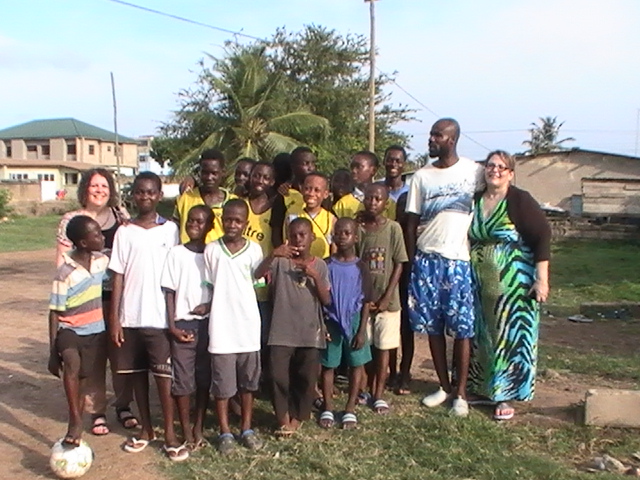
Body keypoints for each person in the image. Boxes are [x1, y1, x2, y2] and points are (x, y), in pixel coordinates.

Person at [404, 118, 484, 417]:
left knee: (462, 329)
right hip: (427, 260)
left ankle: (461, 393)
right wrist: (412, 262)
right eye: (431, 135)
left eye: (437, 135)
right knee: (432, 327)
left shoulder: (473, 171)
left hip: (459, 261)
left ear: (451, 139)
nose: (431, 140)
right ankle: (443, 385)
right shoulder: (421, 177)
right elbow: (411, 222)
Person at [468, 150, 551, 421]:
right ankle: (483, 388)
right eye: (491, 165)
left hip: (514, 285)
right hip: (481, 285)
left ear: (511, 174)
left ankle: (505, 394)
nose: (495, 171)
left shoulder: (519, 200)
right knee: (483, 337)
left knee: (508, 337)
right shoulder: (477, 199)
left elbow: (542, 236)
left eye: (502, 167)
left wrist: (542, 279)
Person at [55, 168, 136, 435]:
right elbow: (62, 262)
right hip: (87, 301)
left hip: (117, 296)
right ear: (84, 189)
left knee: (120, 352)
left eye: (104, 185)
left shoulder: (121, 216)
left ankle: (123, 405)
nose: (99, 190)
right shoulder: (72, 220)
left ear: (111, 189)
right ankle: (97, 410)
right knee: (94, 359)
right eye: (94, 185)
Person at [108, 172, 182, 456]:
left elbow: (177, 273)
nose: (145, 197)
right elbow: (118, 277)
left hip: (161, 317)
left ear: (159, 195)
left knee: (163, 377)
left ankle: (171, 435)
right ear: (133, 195)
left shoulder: (171, 230)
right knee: (137, 375)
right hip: (132, 317)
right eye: (140, 192)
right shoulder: (124, 232)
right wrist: (115, 319)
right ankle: (146, 429)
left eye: (150, 192)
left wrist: (176, 317)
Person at [255, 217, 331, 437]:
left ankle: (298, 416)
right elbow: (257, 276)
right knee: (278, 377)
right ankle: (282, 418)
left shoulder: (321, 266)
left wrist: (315, 277)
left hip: (309, 331)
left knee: (306, 378)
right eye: (293, 235)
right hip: (281, 330)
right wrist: (272, 255)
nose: (298, 240)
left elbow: (326, 300)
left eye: (302, 235)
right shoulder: (279, 262)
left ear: (312, 238)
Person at [204, 199, 264, 453]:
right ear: (221, 220)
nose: (232, 224)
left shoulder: (254, 250)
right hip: (221, 328)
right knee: (223, 387)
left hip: (248, 327)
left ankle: (247, 428)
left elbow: (257, 285)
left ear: (246, 224)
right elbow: (208, 287)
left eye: (238, 221)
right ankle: (224, 431)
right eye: (228, 219)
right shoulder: (212, 250)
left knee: (248, 384)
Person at [49, 215, 109, 446]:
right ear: (83, 242)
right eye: (97, 235)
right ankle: (75, 421)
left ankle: (79, 416)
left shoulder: (101, 262)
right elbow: (54, 312)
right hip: (69, 329)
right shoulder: (64, 272)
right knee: (71, 364)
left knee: (84, 376)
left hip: (95, 331)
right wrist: (53, 350)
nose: (102, 237)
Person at [161, 205, 214, 460]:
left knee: (204, 378)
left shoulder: (213, 255)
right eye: (191, 220)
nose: (195, 225)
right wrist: (172, 325)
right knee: (183, 381)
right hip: (184, 325)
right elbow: (169, 292)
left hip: (209, 325)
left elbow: (221, 290)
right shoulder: (176, 254)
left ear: (210, 227)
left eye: (201, 222)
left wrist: (209, 306)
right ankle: (184, 428)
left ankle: (198, 425)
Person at [358, 184, 408, 414]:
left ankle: (379, 392)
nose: (372, 202)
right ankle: (365, 388)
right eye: (369, 198)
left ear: (385, 203)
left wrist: (387, 296)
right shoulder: (359, 229)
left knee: (383, 348)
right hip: (364, 301)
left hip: (388, 302)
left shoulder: (393, 229)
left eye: (377, 199)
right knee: (365, 346)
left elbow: (399, 263)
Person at [319, 218, 372, 429]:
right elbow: (318, 297)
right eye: (338, 232)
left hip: (354, 320)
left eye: (347, 233)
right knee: (329, 365)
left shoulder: (361, 267)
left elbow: (367, 300)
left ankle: (350, 408)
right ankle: (328, 408)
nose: (342, 236)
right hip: (331, 321)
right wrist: (322, 325)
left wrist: (361, 330)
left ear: (355, 237)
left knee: (356, 363)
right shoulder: (325, 264)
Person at [244, 161, 276, 355]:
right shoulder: (239, 204)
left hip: (265, 282)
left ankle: (259, 378)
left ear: (272, 181)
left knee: (263, 334)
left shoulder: (276, 209)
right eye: (256, 175)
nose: (260, 180)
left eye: (265, 177)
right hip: (240, 280)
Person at [173, 149, 234, 244]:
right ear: (200, 172)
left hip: (219, 257)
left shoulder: (233, 202)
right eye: (205, 173)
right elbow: (174, 229)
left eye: (214, 173)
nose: (209, 178)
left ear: (223, 172)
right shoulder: (185, 198)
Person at [271, 147, 317, 247]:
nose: (311, 167)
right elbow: (276, 229)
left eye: (313, 163)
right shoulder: (285, 194)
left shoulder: (319, 194)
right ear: (293, 166)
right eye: (306, 163)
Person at [285, 172, 336, 259]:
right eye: (307, 189)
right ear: (301, 190)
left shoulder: (331, 219)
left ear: (325, 194)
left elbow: (334, 250)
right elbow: (287, 243)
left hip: (321, 267)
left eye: (317, 190)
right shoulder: (292, 215)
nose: (311, 194)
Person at [334, 151, 396, 220]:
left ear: (373, 170)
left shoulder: (387, 203)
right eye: (352, 167)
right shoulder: (342, 204)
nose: (354, 171)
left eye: (359, 167)